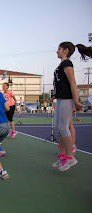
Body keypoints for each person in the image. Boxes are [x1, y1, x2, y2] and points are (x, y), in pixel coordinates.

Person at [51, 42, 91, 171]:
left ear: (66, 50)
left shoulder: (67, 64)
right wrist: (54, 96)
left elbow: (73, 83)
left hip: (67, 100)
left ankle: (70, 158)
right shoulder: (61, 65)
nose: (57, 51)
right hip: (60, 99)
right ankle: (62, 156)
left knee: (63, 128)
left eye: (59, 49)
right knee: (57, 128)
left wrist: (76, 101)